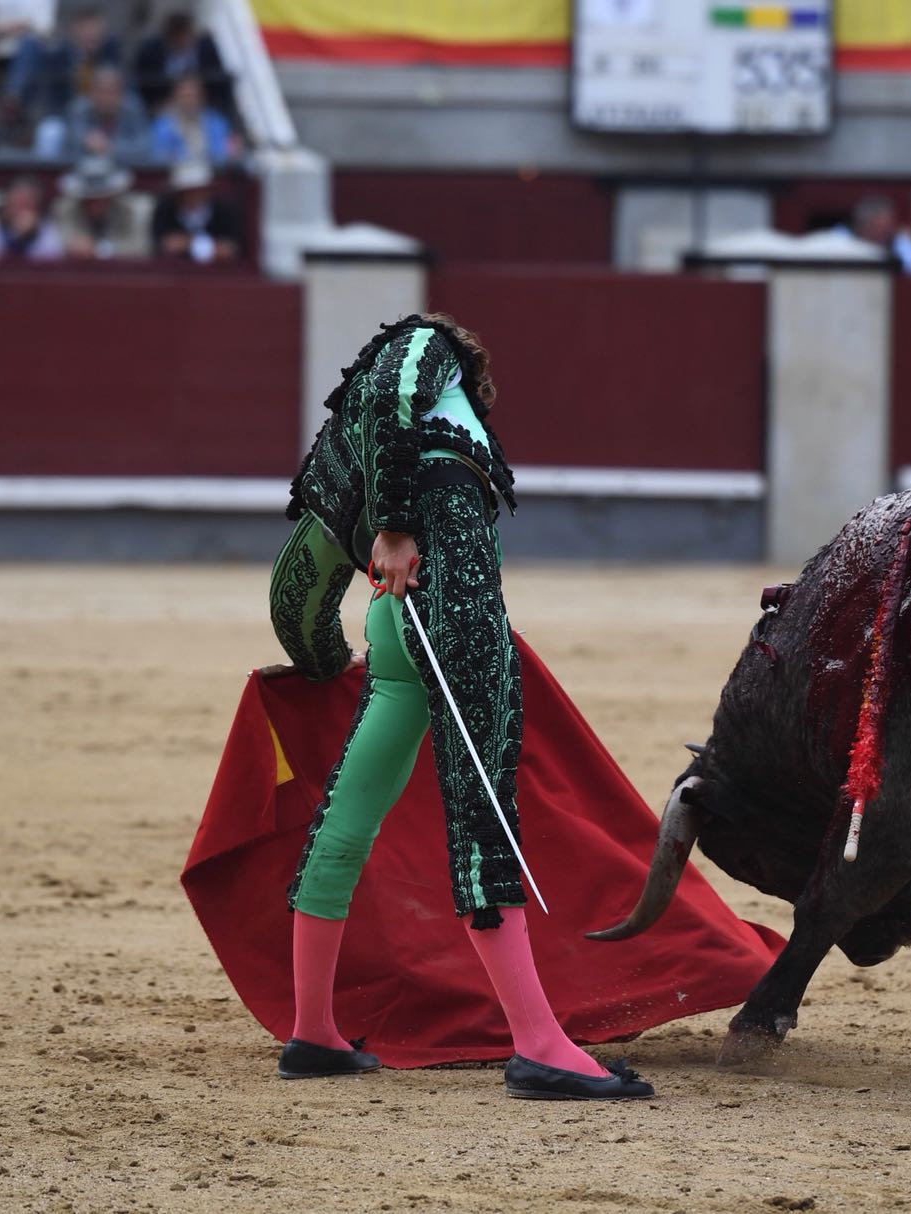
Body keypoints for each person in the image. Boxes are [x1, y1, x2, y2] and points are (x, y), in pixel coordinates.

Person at [264, 313, 654, 1101]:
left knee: (347, 817)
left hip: (393, 627)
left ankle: (313, 1032)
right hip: (457, 606)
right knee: (485, 812)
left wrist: (322, 664)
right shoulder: (423, 346)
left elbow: (296, 590)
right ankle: (540, 1044)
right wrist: (400, 526)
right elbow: (389, 394)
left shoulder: (343, 457)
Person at [2, 5, 121, 129]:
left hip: (102, 114)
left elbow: (118, 88)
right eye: (87, 29)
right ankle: (13, 101)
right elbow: (52, 98)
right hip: (65, 114)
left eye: (96, 30)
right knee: (50, 130)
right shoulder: (59, 56)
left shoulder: (110, 52)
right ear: (76, 29)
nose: (92, 34)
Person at [37, 64, 149, 161]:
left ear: (121, 94)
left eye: (111, 92)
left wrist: (110, 147)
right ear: (91, 93)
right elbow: (69, 143)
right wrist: (86, 141)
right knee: (51, 129)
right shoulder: (78, 109)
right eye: (101, 92)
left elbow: (144, 147)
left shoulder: (133, 109)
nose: (105, 98)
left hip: (123, 172)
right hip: (79, 172)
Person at [133, 10, 233, 115]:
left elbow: (220, 84)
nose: (183, 41)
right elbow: (142, 86)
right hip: (163, 109)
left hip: (205, 107)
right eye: (178, 37)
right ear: (169, 37)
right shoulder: (150, 52)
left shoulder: (207, 48)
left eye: (187, 36)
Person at [53, 156, 147, 259]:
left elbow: (140, 246)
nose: (96, 203)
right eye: (89, 199)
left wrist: (100, 249)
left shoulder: (128, 210)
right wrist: (76, 245)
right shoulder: (65, 209)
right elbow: (61, 243)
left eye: (102, 198)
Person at [150, 161, 243, 264]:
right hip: (176, 274)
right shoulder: (165, 210)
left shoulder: (225, 211)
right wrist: (211, 246)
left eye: (197, 190)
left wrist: (188, 243)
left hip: (218, 274)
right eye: (188, 191)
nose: (194, 196)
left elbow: (229, 250)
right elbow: (165, 245)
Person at [149, 72, 241, 164]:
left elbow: (223, 153)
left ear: (202, 96)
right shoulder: (163, 126)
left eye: (192, 96)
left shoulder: (216, 121)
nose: (188, 101)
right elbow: (160, 158)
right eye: (184, 96)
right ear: (175, 97)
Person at [0, 174, 63, 263]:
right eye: (17, 199)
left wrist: (25, 237)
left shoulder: (46, 226)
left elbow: (53, 257)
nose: (20, 206)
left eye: (27, 202)